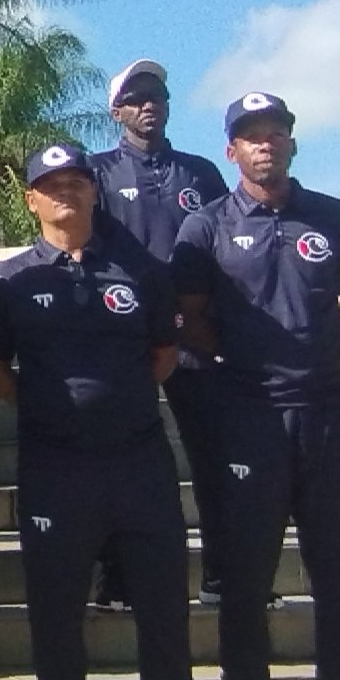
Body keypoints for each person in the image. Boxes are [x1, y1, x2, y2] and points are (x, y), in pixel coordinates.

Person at [172, 91, 340, 680]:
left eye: (276, 134)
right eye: (251, 137)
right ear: (231, 152)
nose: (265, 145)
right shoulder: (206, 226)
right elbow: (188, 317)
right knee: (244, 583)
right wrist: (248, 364)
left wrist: (316, 351)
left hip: (328, 414)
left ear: (292, 145)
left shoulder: (330, 217)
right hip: (248, 417)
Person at [0, 143, 208, 680]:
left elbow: (162, 353)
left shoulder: (139, 272)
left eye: (77, 182)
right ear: (32, 200)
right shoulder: (11, 282)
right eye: (52, 185)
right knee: (56, 613)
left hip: (138, 462)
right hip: (56, 467)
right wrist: (52, 406)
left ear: (94, 192)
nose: (66, 194)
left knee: (163, 607)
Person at [88, 59, 234, 613]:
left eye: (158, 95)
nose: (149, 104)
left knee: (215, 458)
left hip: (194, 338)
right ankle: (116, 579)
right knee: (118, 461)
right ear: (117, 109)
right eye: (137, 96)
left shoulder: (200, 173)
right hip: (125, 339)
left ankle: (224, 573)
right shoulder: (97, 172)